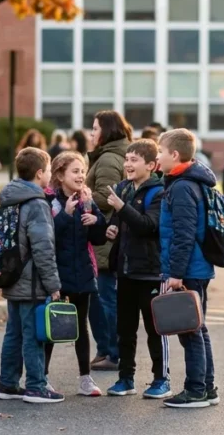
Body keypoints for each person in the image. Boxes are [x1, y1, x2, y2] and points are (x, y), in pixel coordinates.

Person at [0, 147, 64, 405]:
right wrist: (53, 285)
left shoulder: (10, 197)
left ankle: (7, 383)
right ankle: (36, 386)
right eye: (47, 171)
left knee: (13, 333)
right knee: (33, 334)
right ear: (39, 173)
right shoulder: (36, 203)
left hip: (11, 276)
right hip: (32, 281)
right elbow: (43, 248)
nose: (49, 175)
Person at [103, 139, 171, 400]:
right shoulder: (123, 188)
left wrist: (121, 208)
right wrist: (111, 229)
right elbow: (119, 223)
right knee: (125, 328)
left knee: (156, 328)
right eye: (127, 159)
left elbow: (148, 225)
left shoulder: (159, 192)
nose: (128, 164)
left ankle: (161, 379)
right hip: (126, 270)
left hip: (151, 271)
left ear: (152, 165)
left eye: (134, 160)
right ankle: (125, 378)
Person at [156, 128, 218, 409]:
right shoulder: (186, 181)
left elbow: (183, 234)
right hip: (196, 266)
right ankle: (206, 388)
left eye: (160, 151)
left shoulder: (182, 187)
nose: (157, 156)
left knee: (190, 330)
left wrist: (175, 274)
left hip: (189, 269)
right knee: (198, 327)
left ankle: (195, 391)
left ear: (175, 154)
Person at [44, 150, 108, 397]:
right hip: (57, 274)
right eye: (75, 171)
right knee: (52, 325)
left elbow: (98, 238)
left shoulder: (86, 200)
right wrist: (65, 215)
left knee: (81, 326)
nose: (81, 176)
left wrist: (96, 219)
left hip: (82, 272)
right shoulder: (50, 201)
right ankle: (43, 377)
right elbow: (47, 237)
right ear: (60, 175)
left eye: (83, 171)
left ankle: (85, 379)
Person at [86, 110, 132, 371]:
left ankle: (111, 352)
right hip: (113, 237)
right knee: (107, 297)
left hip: (105, 240)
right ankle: (110, 351)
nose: (91, 133)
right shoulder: (121, 154)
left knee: (103, 299)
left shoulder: (107, 160)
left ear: (106, 130)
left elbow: (107, 197)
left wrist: (83, 192)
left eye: (95, 128)